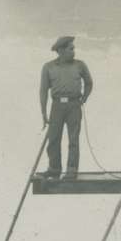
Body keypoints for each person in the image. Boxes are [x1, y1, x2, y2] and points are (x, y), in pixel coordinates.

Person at [39, 36, 93, 180]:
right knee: (53, 139)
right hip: (56, 106)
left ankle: (71, 170)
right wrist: (43, 112)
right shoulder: (48, 67)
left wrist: (84, 98)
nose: (74, 51)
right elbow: (43, 91)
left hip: (74, 106)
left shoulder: (80, 65)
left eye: (73, 48)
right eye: (71, 49)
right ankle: (54, 169)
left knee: (73, 139)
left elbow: (89, 83)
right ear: (61, 50)